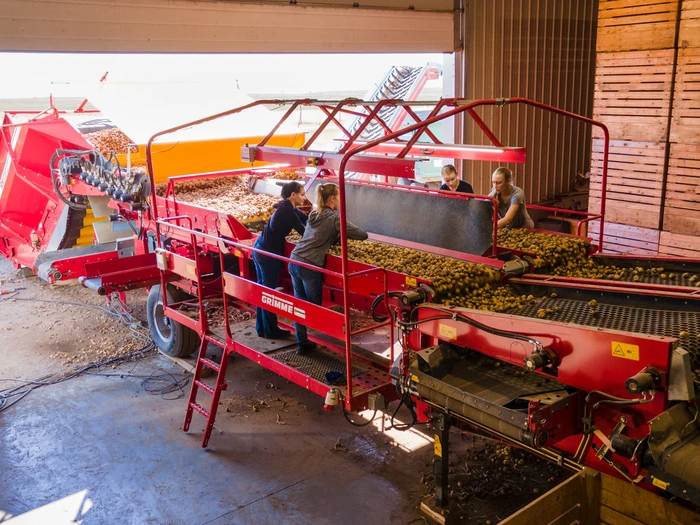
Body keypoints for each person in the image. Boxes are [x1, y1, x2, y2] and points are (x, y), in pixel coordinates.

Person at [288, 183, 368, 354]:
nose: (339, 201)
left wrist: (336, 237)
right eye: (338, 197)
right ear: (332, 198)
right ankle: (327, 341)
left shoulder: (314, 214)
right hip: (309, 265)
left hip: (294, 259)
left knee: (299, 302)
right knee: (313, 307)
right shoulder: (334, 219)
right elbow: (362, 235)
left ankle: (302, 343)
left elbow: (320, 236)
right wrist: (342, 232)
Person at [253, 181, 308, 339]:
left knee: (262, 290)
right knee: (268, 293)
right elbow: (302, 231)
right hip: (267, 254)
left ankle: (262, 328)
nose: (304, 198)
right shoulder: (287, 212)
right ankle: (270, 330)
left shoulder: (288, 208)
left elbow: (305, 219)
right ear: (293, 195)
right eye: (302, 194)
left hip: (260, 248)